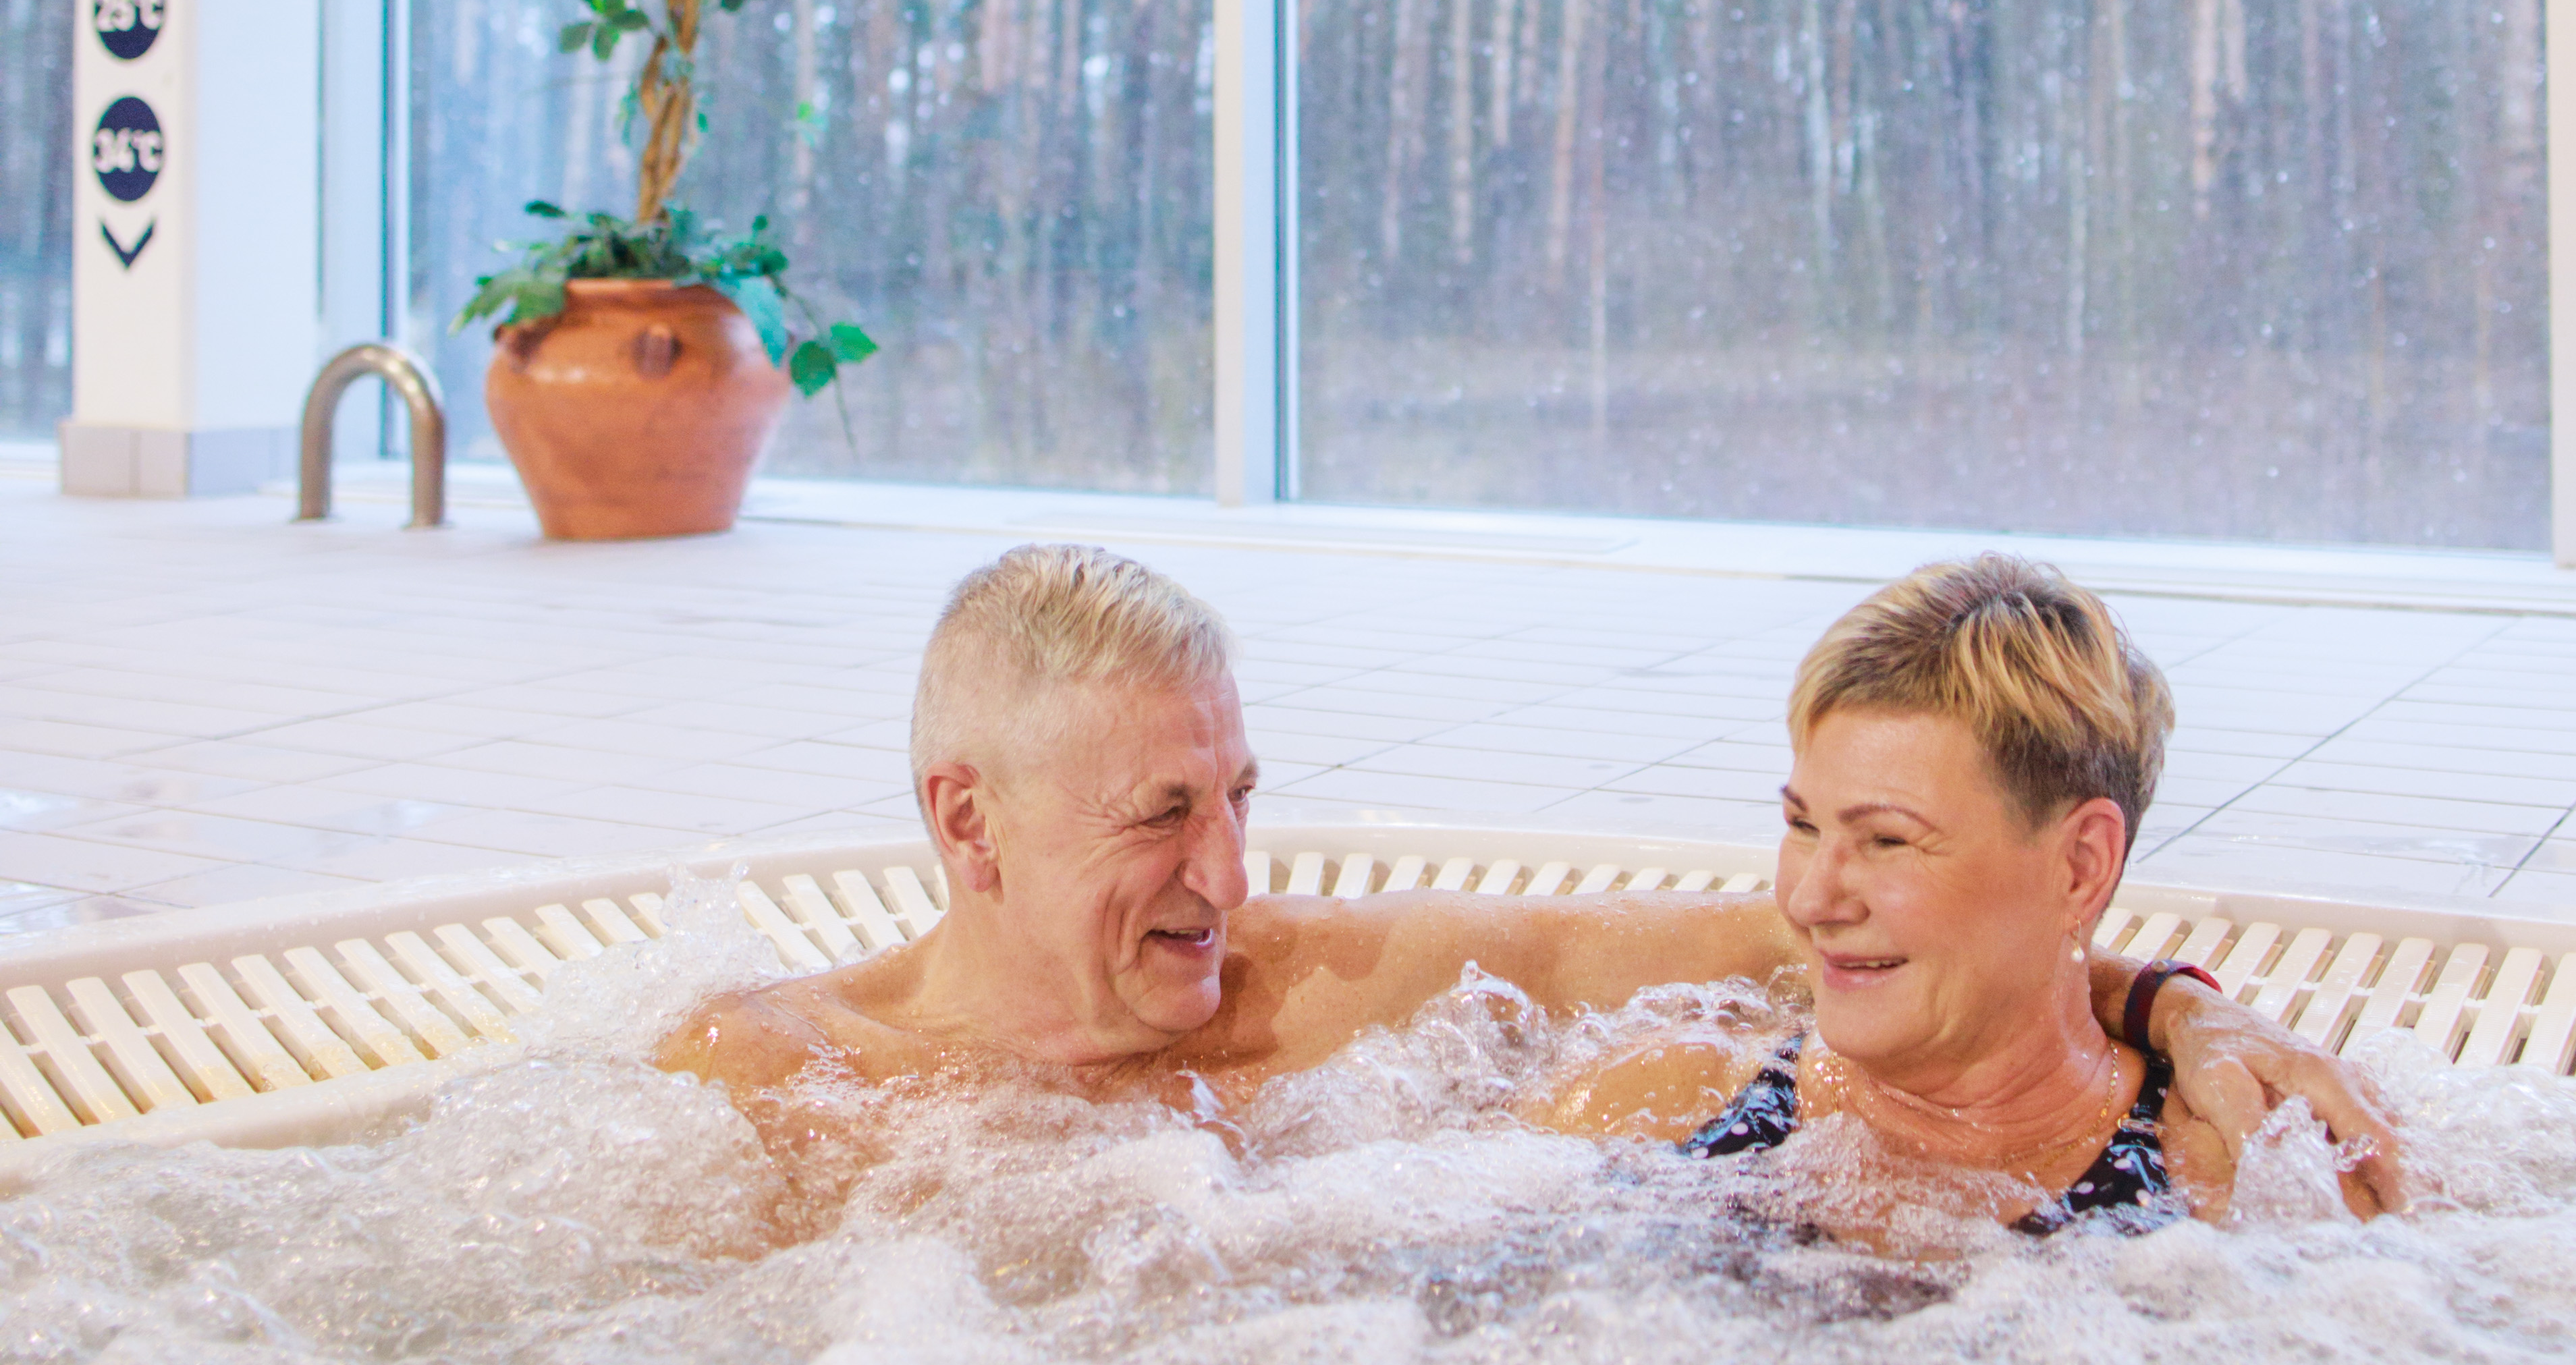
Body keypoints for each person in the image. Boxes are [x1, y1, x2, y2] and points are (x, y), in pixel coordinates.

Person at [657, 543, 2401, 1204]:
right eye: (1159, 816)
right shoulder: (766, 1081)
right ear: (971, 826)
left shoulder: (1330, 991)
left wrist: (2174, 1003)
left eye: (1241, 797)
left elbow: (1819, 947)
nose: (1229, 870)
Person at [1533, 550, 2312, 1224]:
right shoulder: (1658, 1105)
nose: (1810, 903)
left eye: (1888, 841)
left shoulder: (2219, 1188)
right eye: (1804, 828)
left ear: (2079, 867)